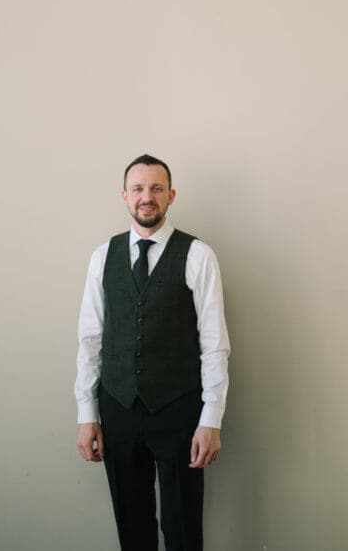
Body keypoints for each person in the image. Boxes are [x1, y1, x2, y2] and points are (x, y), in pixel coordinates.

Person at [75, 154, 230, 551]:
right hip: (117, 407)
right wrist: (86, 414)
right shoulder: (101, 257)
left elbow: (214, 343)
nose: (148, 197)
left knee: (182, 528)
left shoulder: (198, 255)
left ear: (171, 195)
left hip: (179, 409)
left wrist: (211, 418)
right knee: (132, 527)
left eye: (157, 189)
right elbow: (90, 338)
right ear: (124, 196)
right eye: (139, 189)